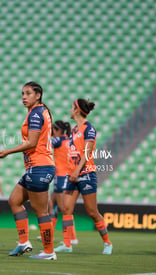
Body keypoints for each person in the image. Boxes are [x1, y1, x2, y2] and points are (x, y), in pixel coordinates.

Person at [0, 81, 56, 260]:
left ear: (38, 95)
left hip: (40, 166)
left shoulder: (36, 114)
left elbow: (32, 143)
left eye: (28, 93)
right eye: (22, 93)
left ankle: (49, 251)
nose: (23, 97)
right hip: (35, 167)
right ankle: (24, 242)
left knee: (41, 212)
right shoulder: (38, 111)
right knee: (14, 200)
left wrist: (8, 151)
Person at [54, 98, 112, 255]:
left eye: (72, 107)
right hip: (72, 176)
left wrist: (76, 171)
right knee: (66, 209)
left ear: (77, 110)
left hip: (86, 174)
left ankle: (107, 243)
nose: (70, 109)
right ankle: (67, 244)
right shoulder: (73, 130)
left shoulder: (89, 128)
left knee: (92, 211)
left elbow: (87, 153)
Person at [49, 120, 78, 244]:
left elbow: (45, 144)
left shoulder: (58, 140)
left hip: (60, 177)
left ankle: (72, 238)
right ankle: (49, 234)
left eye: (53, 130)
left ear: (58, 130)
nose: (52, 132)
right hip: (66, 176)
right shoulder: (69, 140)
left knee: (63, 208)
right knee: (53, 204)